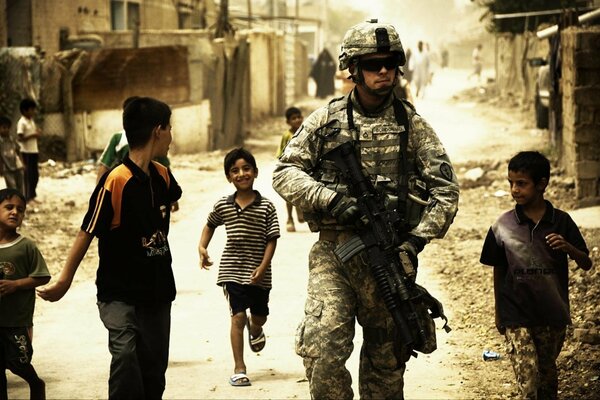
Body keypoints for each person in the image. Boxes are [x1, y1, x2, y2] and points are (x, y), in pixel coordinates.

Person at [272, 19, 460, 399]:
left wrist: (415, 243)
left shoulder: (412, 125)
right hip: (334, 254)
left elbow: (446, 191)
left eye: (390, 63)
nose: (384, 71)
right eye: (373, 64)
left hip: (390, 260)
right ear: (353, 68)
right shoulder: (326, 121)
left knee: (387, 362)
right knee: (324, 350)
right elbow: (284, 173)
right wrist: (332, 200)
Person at [37, 97, 182, 399]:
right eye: (170, 128)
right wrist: (64, 280)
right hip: (119, 293)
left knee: (153, 371)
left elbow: (167, 206)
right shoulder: (116, 180)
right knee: (126, 355)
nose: (172, 136)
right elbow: (87, 230)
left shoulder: (163, 176)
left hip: (157, 291)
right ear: (158, 131)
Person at [480, 151, 592, 400]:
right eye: (510, 183)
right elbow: (498, 269)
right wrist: (499, 312)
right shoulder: (502, 226)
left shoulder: (561, 222)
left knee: (547, 379)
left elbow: (586, 263)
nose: (514, 190)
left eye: (521, 183)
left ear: (542, 184)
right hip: (516, 314)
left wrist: (568, 247)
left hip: (552, 314)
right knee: (529, 381)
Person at [198, 147, 279, 387]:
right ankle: (239, 368)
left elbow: (271, 239)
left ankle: (256, 331)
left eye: (246, 169)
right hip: (232, 269)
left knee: (259, 316)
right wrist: (202, 247)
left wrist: (263, 267)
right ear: (228, 177)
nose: (241, 174)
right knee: (238, 316)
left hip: (259, 273)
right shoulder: (224, 205)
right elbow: (210, 225)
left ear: (255, 172)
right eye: (235, 170)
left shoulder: (267, 207)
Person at [0, 188, 50, 400]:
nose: (14, 213)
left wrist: (17, 285)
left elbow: (42, 276)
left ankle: (36, 384)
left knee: (19, 362)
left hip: (16, 321)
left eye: (20, 210)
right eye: (8, 207)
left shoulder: (25, 247)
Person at [96, 97, 178, 211]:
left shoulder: (160, 172)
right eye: (169, 129)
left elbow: (165, 166)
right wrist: (100, 193)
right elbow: (104, 166)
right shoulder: (116, 181)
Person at [276, 107, 305, 232]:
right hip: (290, 168)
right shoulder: (287, 136)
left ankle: (300, 209)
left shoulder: (306, 132)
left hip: (303, 168)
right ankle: (289, 218)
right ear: (288, 122)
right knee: (288, 195)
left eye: (299, 117)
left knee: (302, 191)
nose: (297, 120)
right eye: (294, 118)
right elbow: (281, 153)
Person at [16, 98, 41, 203]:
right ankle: (27, 196)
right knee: (28, 175)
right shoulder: (22, 122)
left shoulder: (31, 121)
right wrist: (33, 135)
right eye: (32, 110)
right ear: (25, 110)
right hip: (26, 152)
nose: (34, 112)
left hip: (34, 150)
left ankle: (32, 194)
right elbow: (20, 138)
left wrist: (37, 134)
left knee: (35, 175)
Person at [0, 117, 25, 195]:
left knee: (20, 185)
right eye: (4, 128)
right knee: (12, 186)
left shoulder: (12, 139)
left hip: (16, 165)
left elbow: (18, 150)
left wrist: (22, 162)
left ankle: (21, 201)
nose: (6, 130)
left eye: (8, 128)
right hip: (6, 167)